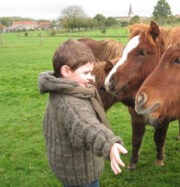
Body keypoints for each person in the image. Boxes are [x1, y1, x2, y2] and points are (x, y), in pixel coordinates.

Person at [38, 39, 127, 187]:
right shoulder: (70, 103)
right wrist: (109, 143)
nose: (90, 77)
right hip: (80, 174)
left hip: (66, 166)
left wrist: (86, 79)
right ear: (66, 71)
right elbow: (86, 125)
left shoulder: (59, 88)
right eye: (86, 73)